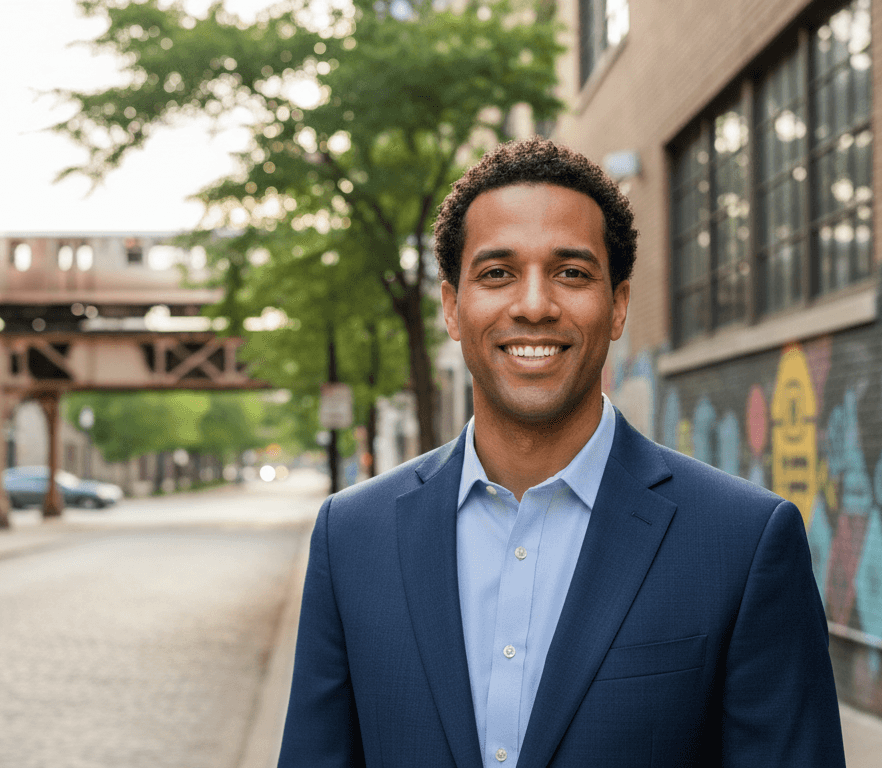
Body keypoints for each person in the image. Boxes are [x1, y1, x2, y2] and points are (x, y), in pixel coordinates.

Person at [277, 136, 845, 767]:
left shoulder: (743, 541)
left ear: (618, 306)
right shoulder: (351, 537)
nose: (533, 305)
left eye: (571, 273)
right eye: (497, 273)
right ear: (452, 307)